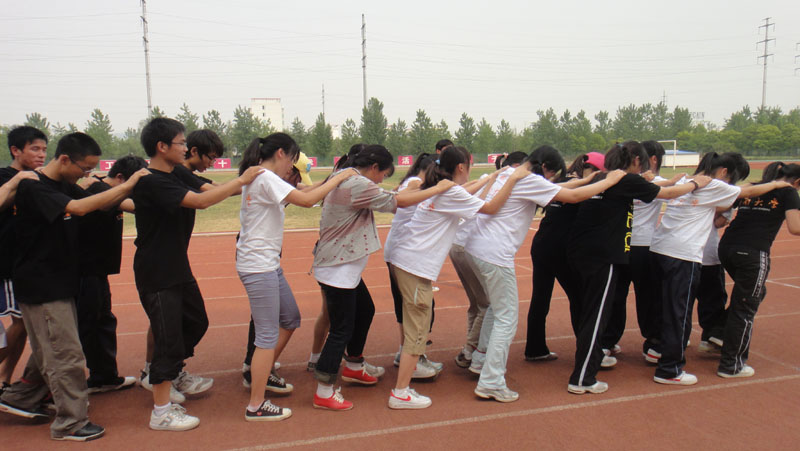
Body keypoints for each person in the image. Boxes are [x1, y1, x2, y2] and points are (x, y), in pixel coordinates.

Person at [0, 132, 149, 441]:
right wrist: (128, 183)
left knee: (52, 351)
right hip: (42, 286)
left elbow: (97, 204)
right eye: (84, 168)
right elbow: (79, 208)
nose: (86, 174)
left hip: (60, 282)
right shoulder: (34, 186)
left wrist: (126, 193)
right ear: (65, 159)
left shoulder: (63, 184)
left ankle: (20, 398)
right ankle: (70, 423)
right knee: (65, 356)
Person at [132, 117, 263, 431]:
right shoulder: (152, 181)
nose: (185, 148)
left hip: (177, 265)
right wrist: (245, 178)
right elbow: (202, 202)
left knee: (196, 321)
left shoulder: (177, 172)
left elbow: (213, 190)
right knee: (168, 339)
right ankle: (161, 411)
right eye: (180, 143)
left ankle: (169, 371)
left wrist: (255, 182)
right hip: (157, 270)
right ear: (162, 147)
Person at [466, 146, 625, 402]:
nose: (551, 179)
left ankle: (480, 359)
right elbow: (572, 197)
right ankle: (491, 381)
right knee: (506, 319)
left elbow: (561, 188)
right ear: (546, 168)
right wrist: (610, 180)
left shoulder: (510, 172)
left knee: (498, 310)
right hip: (494, 254)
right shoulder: (530, 180)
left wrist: (588, 180)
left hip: (477, 248)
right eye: (553, 173)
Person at [311, 145, 454, 411]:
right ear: (374, 167)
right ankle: (324, 390)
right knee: (341, 329)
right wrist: (438, 189)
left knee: (365, 310)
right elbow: (398, 203)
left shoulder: (347, 175)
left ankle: (354, 365)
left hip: (343, 266)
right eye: (383, 175)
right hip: (337, 268)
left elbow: (394, 195)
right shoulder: (358, 184)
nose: (381, 181)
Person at [565, 141, 712, 395]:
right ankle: (582, 378)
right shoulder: (626, 180)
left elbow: (651, 186)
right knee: (596, 317)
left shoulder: (602, 177)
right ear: (635, 160)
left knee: (592, 313)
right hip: (602, 256)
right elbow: (666, 194)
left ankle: (591, 364)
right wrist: (696, 183)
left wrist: (664, 181)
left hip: (580, 253)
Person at [388, 146, 529, 408]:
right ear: (462, 167)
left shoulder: (442, 187)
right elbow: (490, 207)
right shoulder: (449, 191)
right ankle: (400, 392)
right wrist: (510, 180)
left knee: (416, 328)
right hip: (414, 266)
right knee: (417, 331)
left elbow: (465, 193)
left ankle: (403, 387)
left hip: (408, 263)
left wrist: (488, 180)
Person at [236, 133, 356, 421]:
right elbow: (306, 199)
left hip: (266, 264)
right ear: (281, 153)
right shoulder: (265, 177)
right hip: (258, 266)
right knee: (266, 337)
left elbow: (304, 189)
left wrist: (332, 180)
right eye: (291, 159)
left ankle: (261, 373)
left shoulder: (263, 176)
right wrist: (340, 177)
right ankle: (256, 404)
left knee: (289, 318)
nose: (291, 166)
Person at [649, 152, 789, 386]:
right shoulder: (714, 185)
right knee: (679, 314)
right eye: (732, 179)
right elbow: (746, 193)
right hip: (683, 255)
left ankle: (658, 350)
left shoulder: (684, 180)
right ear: (724, 172)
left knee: (666, 308)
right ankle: (669, 369)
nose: (730, 185)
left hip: (660, 249)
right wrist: (776, 184)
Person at [715, 162, 800, 378]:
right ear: (797, 182)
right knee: (745, 307)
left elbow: (724, 204)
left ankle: (718, 333)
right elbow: (795, 227)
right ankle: (731, 364)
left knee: (754, 293)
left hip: (726, 248)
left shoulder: (754, 187)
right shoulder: (789, 192)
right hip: (752, 253)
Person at [601, 141, 682, 364]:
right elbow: (670, 192)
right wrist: (693, 183)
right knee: (649, 297)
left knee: (615, 296)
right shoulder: (652, 182)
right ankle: (654, 345)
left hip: (618, 246)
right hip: (643, 247)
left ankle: (606, 342)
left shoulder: (613, 179)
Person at [76, 156, 148, 394]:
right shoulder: (99, 189)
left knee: (102, 320)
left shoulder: (101, 187)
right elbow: (134, 206)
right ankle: (57, 386)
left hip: (97, 270)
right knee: (86, 324)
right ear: (120, 178)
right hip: (84, 270)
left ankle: (104, 376)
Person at [524, 151, 605, 362]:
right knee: (579, 297)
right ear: (592, 170)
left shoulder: (561, 181)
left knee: (540, 298)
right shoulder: (580, 187)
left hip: (542, 245)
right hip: (559, 249)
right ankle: (588, 351)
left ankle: (535, 348)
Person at [384, 153, 443, 378]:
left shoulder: (411, 181)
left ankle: (406, 353)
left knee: (406, 306)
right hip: (404, 253)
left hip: (397, 250)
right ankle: (413, 358)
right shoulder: (416, 183)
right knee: (417, 308)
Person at [0, 126, 47, 391]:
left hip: (27, 262)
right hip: (7, 262)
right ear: (16, 151)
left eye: (44, 149)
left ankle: (4, 379)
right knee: (20, 322)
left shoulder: (38, 178)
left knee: (24, 324)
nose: (41, 154)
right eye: (35, 149)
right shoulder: (5, 176)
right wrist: (16, 181)